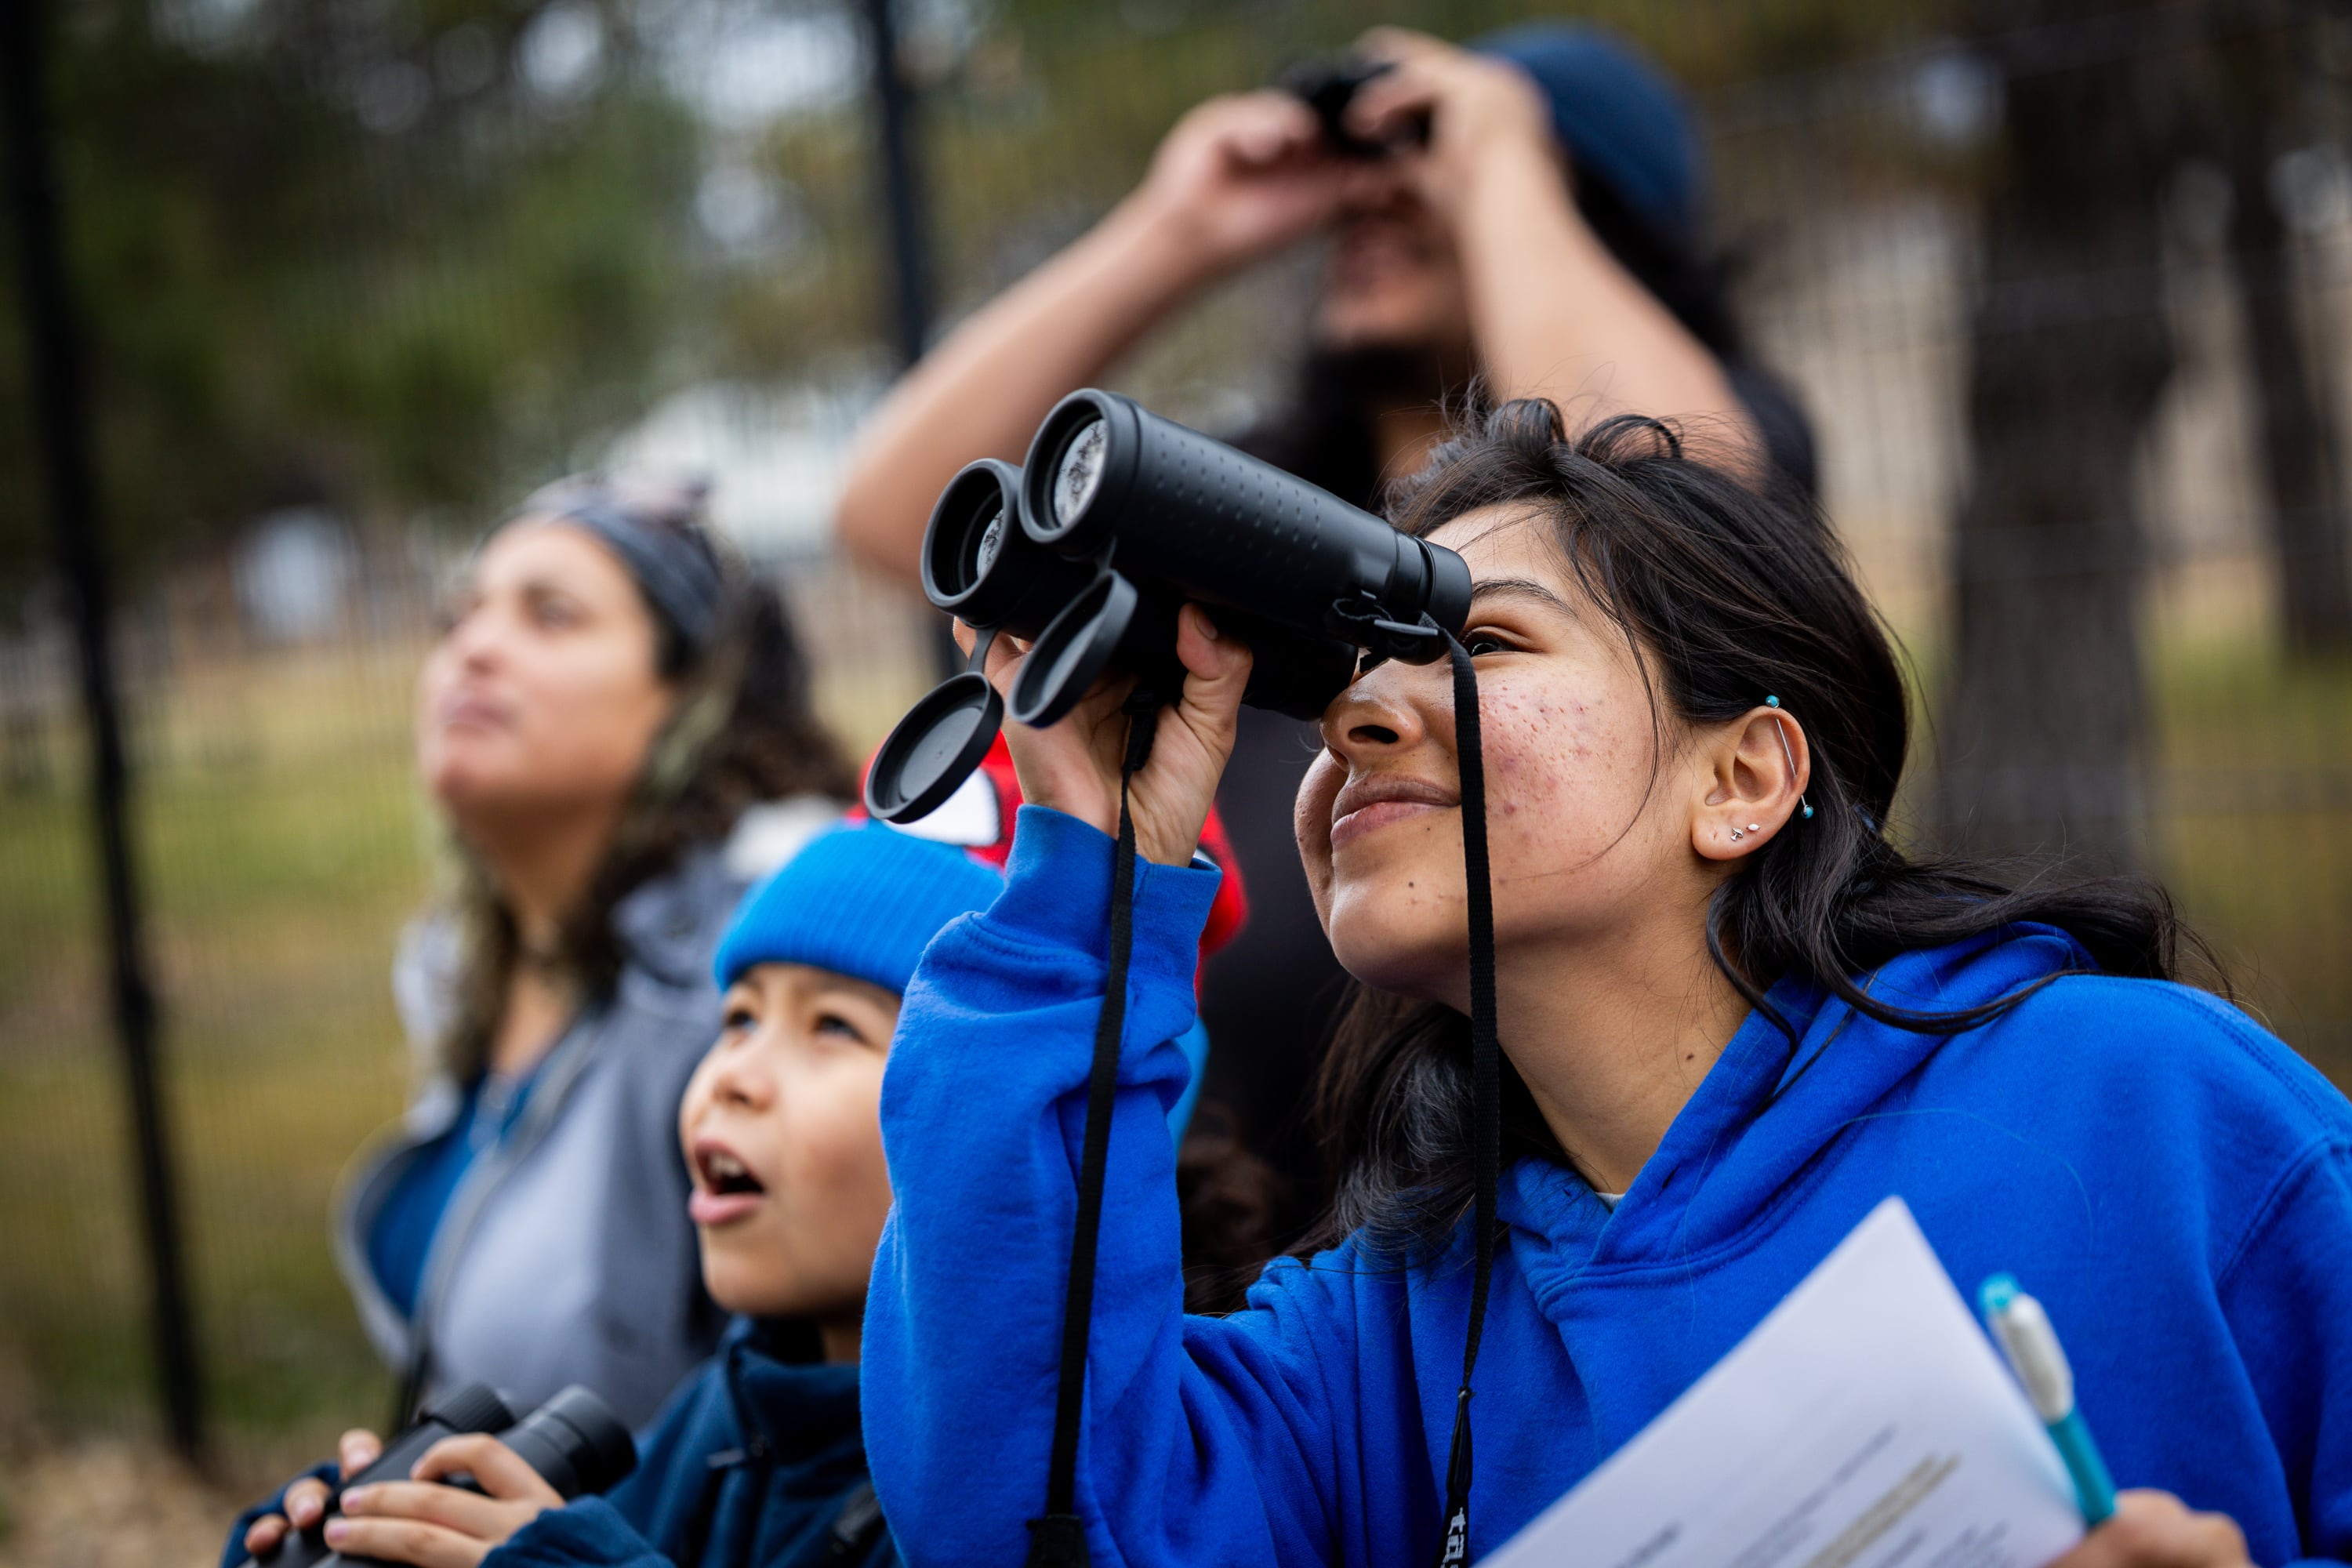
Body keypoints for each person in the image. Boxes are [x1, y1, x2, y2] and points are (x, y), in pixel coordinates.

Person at [861, 403, 2350, 1565]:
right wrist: (1086, 885)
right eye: (1342, 689)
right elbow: (1040, 1525)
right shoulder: (1384, 1332)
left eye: (1479, 645)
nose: (1365, 715)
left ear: (1747, 776)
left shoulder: (2140, 1108)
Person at [833, 24, 1815, 1233]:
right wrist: (1178, 228)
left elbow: (1658, 501)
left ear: (1596, 223)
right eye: (1352, 208)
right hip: (1251, 1250)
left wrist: (1502, 158)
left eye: (1423, 191)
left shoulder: (1709, 436)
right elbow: (897, 517)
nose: (1370, 214)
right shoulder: (1287, 498)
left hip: (1537, 1233)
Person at [231, 820, 996, 1568]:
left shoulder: (1002, 1477)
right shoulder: (735, 1405)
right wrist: (381, 1530)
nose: (731, 1073)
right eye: (739, 1018)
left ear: (985, 1122)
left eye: (832, 1025)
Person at [338, 476, 854, 1430]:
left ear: (692, 694)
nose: (474, 649)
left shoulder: (754, 972)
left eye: (553, 615)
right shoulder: (461, 970)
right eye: (461, 616)